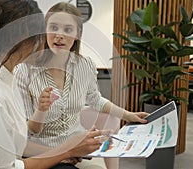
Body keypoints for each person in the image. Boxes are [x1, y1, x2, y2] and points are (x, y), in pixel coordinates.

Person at [0, 0, 108, 169]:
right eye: (41, 35)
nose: (43, 43)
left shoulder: (0, 79)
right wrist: (66, 151)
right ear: (22, 38)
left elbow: (14, 132)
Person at [14, 2, 149, 169]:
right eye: (54, 27)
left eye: (68, 29)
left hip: (78, 147)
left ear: (77, 34)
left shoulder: (85, 65)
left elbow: (95, 99)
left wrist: (127, 115)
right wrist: (61, 152)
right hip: (42, 153)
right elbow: (24, 131)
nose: (59, 35)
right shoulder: (25, 70)